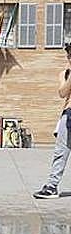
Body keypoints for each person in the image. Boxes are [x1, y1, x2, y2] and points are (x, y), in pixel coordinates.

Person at [34, 42, 71, 199]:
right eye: (68, 55)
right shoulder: (64, 74)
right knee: (60, 151)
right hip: (68, 113)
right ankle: (52, 186)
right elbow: (62, 92)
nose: (69, 57)